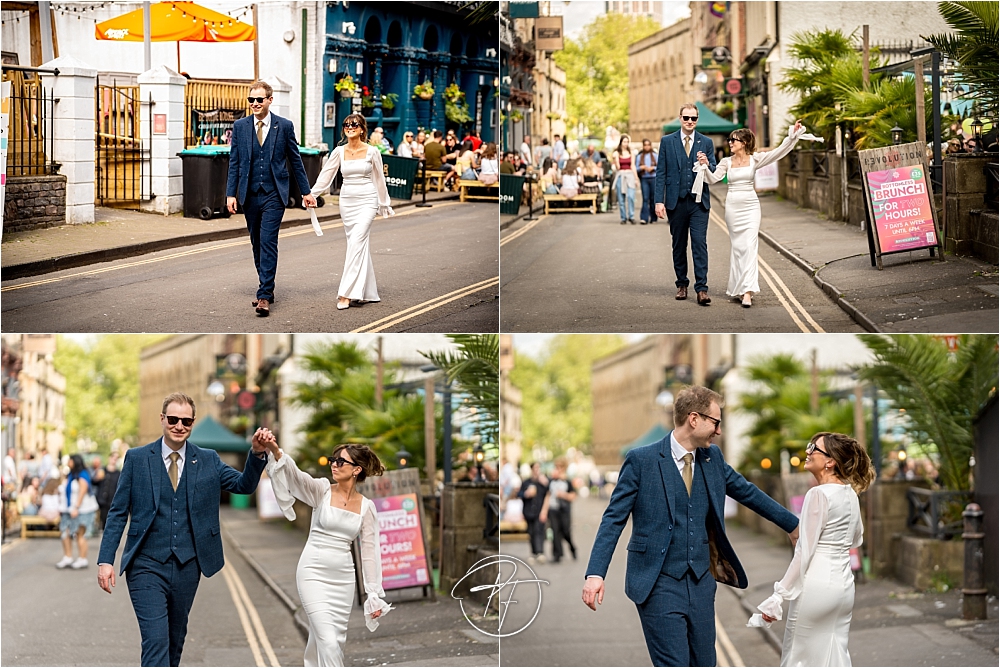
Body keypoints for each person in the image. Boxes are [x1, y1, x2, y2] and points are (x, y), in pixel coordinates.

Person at [582, 385, 800, 667]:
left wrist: (794, 526)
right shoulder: (641, 461)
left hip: (701, 581)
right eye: (716, 422)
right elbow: (613, 518)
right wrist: (595, 573)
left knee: (706, 663)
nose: (719, 431)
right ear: (694, 419)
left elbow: (748, 493)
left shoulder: (713, 459)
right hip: (656, 582)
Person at [97, 392, 269, 667]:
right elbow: (118, 512)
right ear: (163, 419)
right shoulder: (138, 458)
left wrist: (257, 453)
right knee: (155, 641)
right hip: (145, 565)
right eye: (173, 419)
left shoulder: (208, 460)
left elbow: (244, 486)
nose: (179, 426)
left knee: (174, 642)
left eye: (186, 421)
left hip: (188, 566)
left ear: (193, 423)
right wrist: (106, 559)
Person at [258, 433, 391, 666]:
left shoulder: (367, 508)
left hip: (343, 581)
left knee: (333, 641)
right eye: (333, 460)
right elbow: (297, 478)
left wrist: (372, 593)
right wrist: (276, 451)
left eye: (341, 461)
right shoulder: (322, 490)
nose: (334, 465)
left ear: (356, 470)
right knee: (328, 641)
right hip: (313, 573)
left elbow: (369, 553)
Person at [755, 432, 875, 667]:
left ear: (830, 462)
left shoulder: (818, 494)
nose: (807, 452)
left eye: (813, 448)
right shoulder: (850, 493)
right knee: (834, 655)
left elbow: (804, 551)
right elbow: (856, 539)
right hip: (843, 588)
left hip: (816, 587)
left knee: (799, 658)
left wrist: (778, 595)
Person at [226, 80, 316, 317]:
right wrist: (230, 194)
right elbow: (234, 162)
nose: (255, 104)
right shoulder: (240, 126)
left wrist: (306, 192)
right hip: (249, 194)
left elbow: (296, 161)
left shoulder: (284, 126)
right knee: (256, 242)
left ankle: (264, 294)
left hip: (275, 194)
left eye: (259, 99)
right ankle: (266, 284)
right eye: (251, 100)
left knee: (268, 241)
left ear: (269, 100)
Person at [697, 121, 807, 308]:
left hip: (751, 207)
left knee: (749, 247)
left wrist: (792, 136)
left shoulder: (755, 159)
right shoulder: (726, 162)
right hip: (732, 208)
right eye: (729, 139)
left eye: (734, 140)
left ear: (745, 142)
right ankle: (739, 289)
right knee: (738, 248)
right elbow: (713, 179)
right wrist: (705, 166)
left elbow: (778, 152)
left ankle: (747, 291)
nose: (730, 142)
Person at [307, 113, 395, 311]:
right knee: (358, 246)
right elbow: (326, 175)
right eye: (346, 124)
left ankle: (346, 294)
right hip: (347, 202)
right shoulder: (339, 151)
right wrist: (312, 193)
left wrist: (384, 203)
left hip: (367, 200)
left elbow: (380, 179)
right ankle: (367, 292)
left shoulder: (372, 152)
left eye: (354, 124)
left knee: (356, 243)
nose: (350, 127)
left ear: (362, 129)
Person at [655, 103, 717, 306]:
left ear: (697, 120)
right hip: (676, 202)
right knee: (679, 245)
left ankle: (702, 289)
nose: (690, 122)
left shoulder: (706, 142)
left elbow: (714, 172)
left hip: (699, 203)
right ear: (680, 118)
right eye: (686, 118)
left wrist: (706, 163)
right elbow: (661, 173)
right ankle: (682, 285)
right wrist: (658, 201)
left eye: (694, 118)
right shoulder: (667, 141)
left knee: (700, 244)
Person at [55, 454, 99, 569]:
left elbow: (83, 491)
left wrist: (76, 507)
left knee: (80, 534)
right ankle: (68, 557)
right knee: (65, 532)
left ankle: (82, 558)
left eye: (70, 460)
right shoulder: (71, 474)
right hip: (68, 508)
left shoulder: (82, 474)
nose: (68, 462)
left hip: (83, 509)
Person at [519, 462, 550, 563]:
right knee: (531, 532)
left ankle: (540, 552)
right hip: (528, 511)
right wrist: (526, 494)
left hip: (539, 510)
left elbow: (548, 494)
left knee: (539, 531)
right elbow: (519, 494)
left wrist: (544, 511)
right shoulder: (526, 482)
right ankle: (533, 553)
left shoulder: (543, 482)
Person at [548, 458, 577, 563]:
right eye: (556, 467)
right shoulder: (551, 480)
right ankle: (557, 554)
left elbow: (573, 496)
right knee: (555, 531)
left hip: (564, 509)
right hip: (553, 509)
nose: (558, 469)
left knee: (565, 531)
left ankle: (572, 547)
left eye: (560, 467)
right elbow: (547, 494)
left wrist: (563, 495)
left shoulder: (567, 481)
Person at [614, 134, 639, 224]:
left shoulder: (631, 153)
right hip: (621, 175)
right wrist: (616, 159)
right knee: (621, 199)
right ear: (621, 142)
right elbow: (617, 167)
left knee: (631, 197)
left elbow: (633, 166)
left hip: (630, 175)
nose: (626, 144)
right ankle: (623, 217)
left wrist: (636, 178)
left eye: (627, 142)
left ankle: (631, 216)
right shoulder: (617, 153)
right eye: (624, 142)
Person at [96, 453, 121, 531]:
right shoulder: (102, 470)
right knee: (103, 520)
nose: (114, 460)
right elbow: (94, 482)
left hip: (112, 501)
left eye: (116, 458)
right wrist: (97, 478)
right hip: (102, 501)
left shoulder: (118, 473)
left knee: (111, 522)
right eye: (113, 457)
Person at [637, 139, 658, 224]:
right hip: (644, 178)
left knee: (653, 198)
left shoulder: (655, 155)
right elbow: (636, 168)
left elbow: (660, 167)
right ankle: (644, 218)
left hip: (653, 178)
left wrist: (653, 168)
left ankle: (653, 217)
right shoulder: (639, 156)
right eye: (645, 145)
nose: (647, 146)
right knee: (645, 198)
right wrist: (642, 167)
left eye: (648, 145)